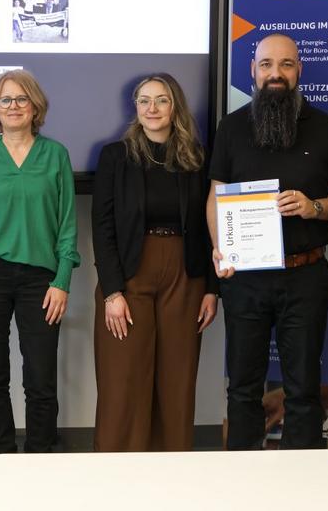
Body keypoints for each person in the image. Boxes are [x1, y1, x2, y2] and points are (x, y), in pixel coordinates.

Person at [207, 33, 328, 450]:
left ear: (299, 70)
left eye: (286, 64)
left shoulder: (327, 128)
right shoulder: (232, 127)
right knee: (242, 386)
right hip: (244, 278)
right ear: (253, 71)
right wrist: (219, 248)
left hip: (304, 275)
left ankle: (302, 476)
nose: (276, 73)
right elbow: (216, 195)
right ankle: (240, 470)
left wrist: (315, 207)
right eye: (266, 64)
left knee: (304, 387)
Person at [0, 69, 79, 454]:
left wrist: (62, 281)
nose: (13, 106)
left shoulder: (56, 155)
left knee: (41, 379)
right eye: (5, 99)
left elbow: (67, 226)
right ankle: (3, 455)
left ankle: (38, 458)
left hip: (42, 281)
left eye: (22, 99)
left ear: (35, 106)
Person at [92, 74, 217, 451]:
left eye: (161, 100)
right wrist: (112, 292)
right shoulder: (115, 156)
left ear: (175, 106)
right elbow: (102, 225)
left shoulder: (196, 157)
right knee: (124, 378)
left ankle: (172, 465)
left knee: (177, 379)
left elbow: (209, 226)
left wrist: (212, 290)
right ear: (135, 108)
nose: (152, 108)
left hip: (186, 275)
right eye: (144, 100)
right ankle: (118, 467)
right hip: (129, 276)